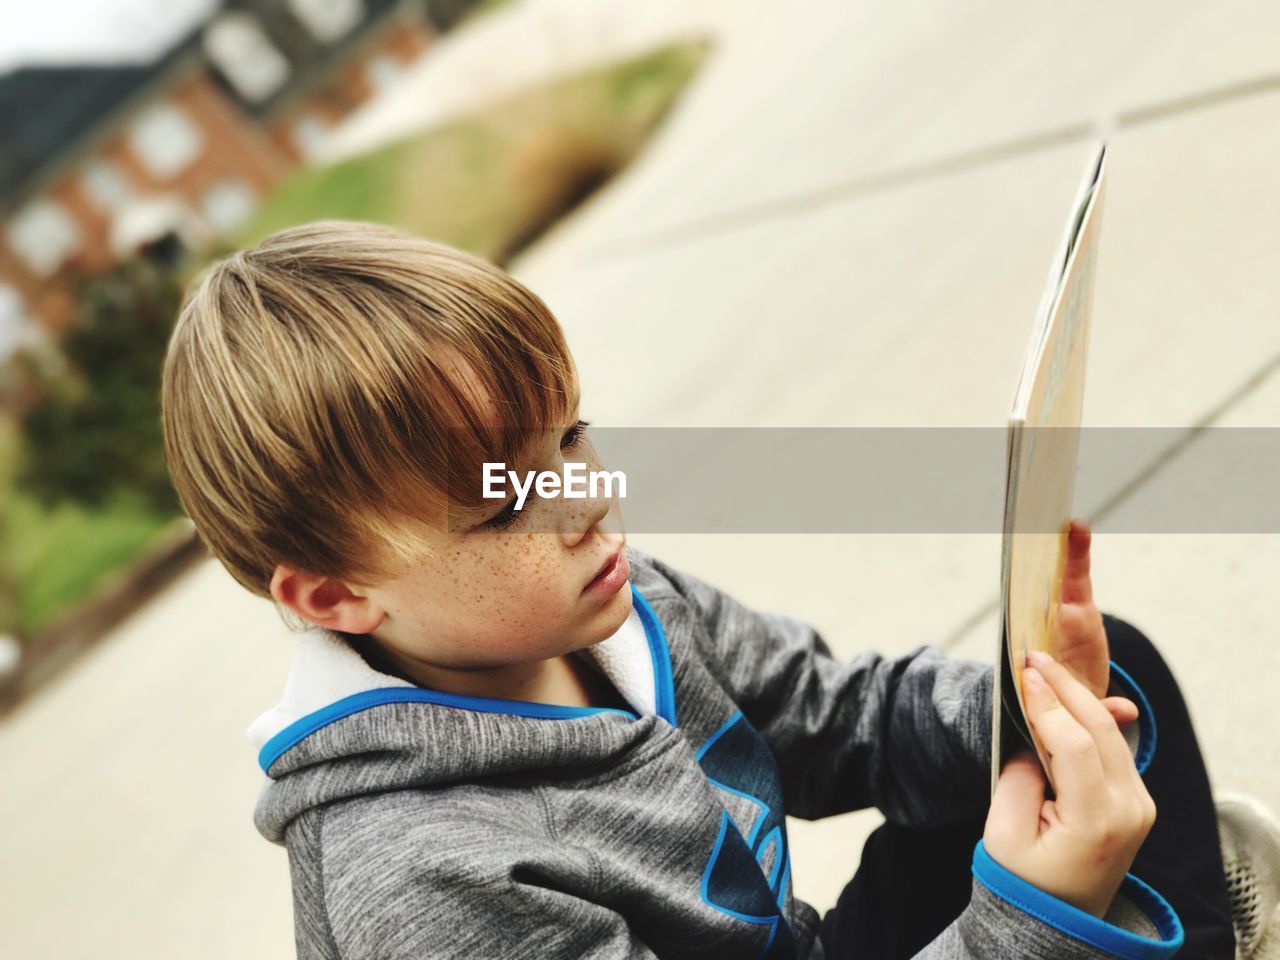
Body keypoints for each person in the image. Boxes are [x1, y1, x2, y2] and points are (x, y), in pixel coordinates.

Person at [160, 220, 1274, 959]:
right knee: (1072, 874)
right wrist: (1031, 919)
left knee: (1088, 678)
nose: (583, 500)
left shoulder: (618, 599)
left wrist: (1017, 714)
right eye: (502, 505)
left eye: (570, 436)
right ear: (333, 595)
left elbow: (842, 717)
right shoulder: (424, 880)